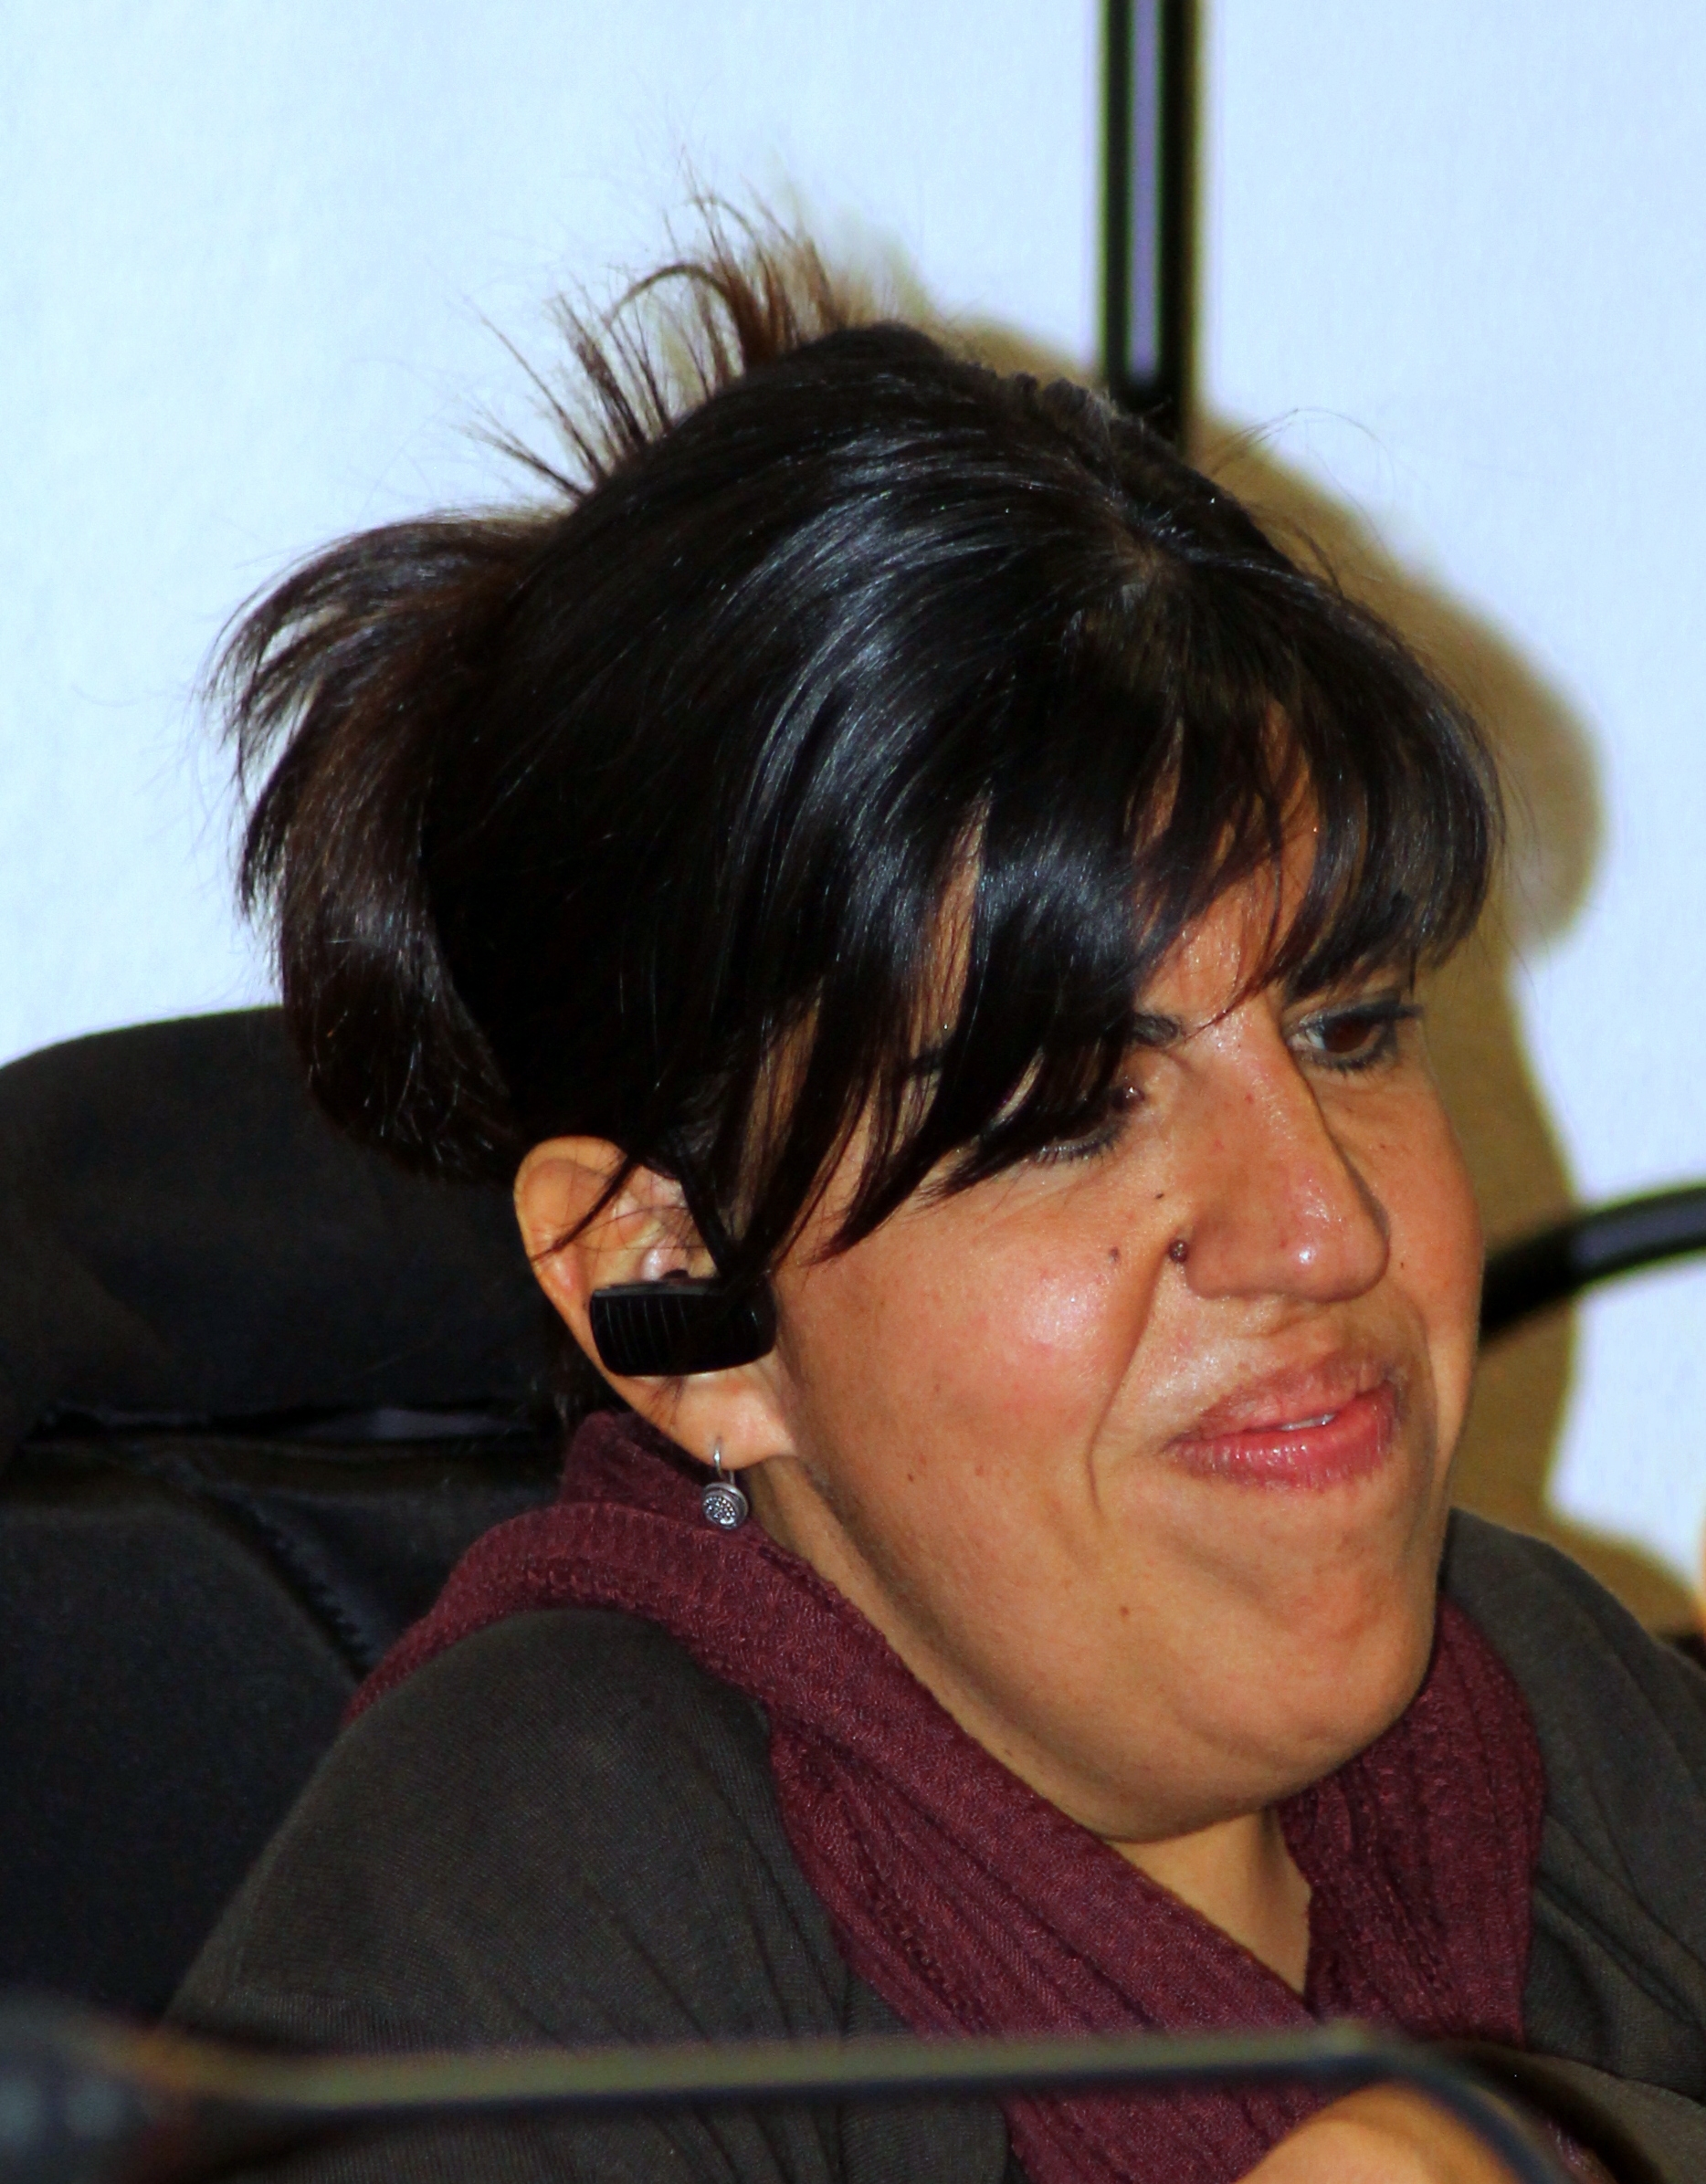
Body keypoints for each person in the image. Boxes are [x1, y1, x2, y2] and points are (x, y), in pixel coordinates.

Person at [172, 230, 1706, 2183]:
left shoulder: (1554, 1702)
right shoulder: (530, 1907)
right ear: (673, 1278)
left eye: (1348, 1027)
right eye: (1070, 1113)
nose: (1323, 1228)